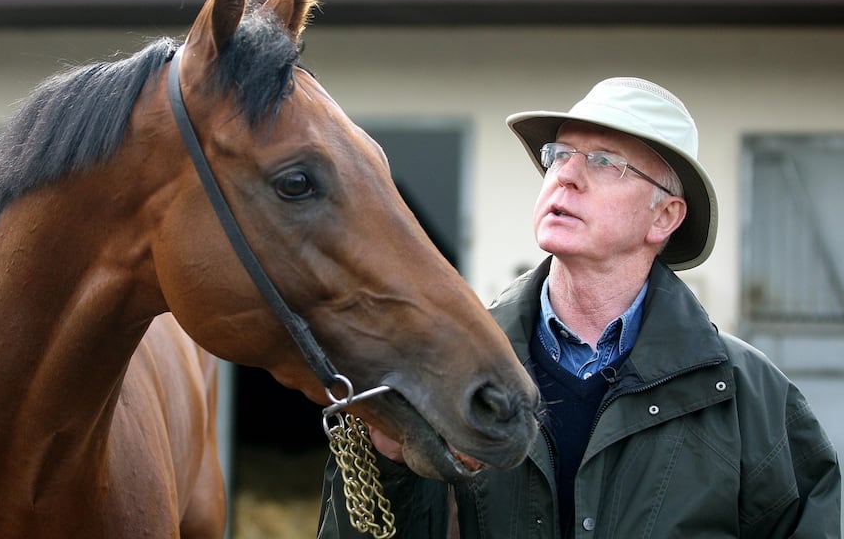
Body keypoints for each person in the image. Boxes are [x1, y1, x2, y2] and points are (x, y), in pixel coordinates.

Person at [317, 77, 841, 538]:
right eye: (560, 154)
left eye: (605, 162)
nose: (566, 175)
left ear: (664, 217)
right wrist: (389, 464)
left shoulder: (752, 397)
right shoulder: (453, 368)